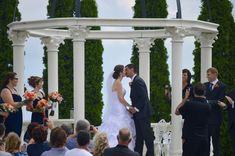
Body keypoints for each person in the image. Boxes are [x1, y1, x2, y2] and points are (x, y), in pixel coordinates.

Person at [99, 65, 136, 150]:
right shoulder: (118, 83)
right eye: (124, 70)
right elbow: (121, 99)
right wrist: (130, 106)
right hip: (118, 108)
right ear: (120, 73)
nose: (125, 72)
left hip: (118, 107)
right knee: (118, 125)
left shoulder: (117, 82)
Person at [125, 64, 155, 156]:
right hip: (139, 115)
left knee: (148, 138)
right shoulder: (135, 81)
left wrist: (135, 109)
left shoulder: (138, 81)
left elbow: (144, 97)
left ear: (132, 69)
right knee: (139, 138)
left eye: (126, 70)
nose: (125, 72)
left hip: (143, 114)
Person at [175, 83, 212, 156]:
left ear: (193, 92)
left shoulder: (189, 104)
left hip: (190, 138)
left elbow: (177, 111)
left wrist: (185, 98)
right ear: (204, 92)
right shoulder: (208, 106)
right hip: (204, 137)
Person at [204, 67, 226, 156]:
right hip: (205, 119)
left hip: (215, 119)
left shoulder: (222, 86)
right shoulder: (204, 85)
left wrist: (207, 101)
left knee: (216, 142)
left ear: (215, 74)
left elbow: (219, 101)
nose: (207, 76)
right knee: (205, 142)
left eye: (208, 74)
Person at [0, 72, 27, 136]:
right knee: (11, 134)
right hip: (11, 117)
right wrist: (24, 102)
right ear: (10, 79)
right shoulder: (5, 90)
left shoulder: (15, 90)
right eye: (16, 79)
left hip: (18, 115)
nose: (17, 80)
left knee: (17, 134)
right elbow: (11, 105)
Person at [219, 88, 235, 155]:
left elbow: (232, 104)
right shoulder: (230, 93)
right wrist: (224, 106)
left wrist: (233, 103)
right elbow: (228, 108)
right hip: (233, 124)